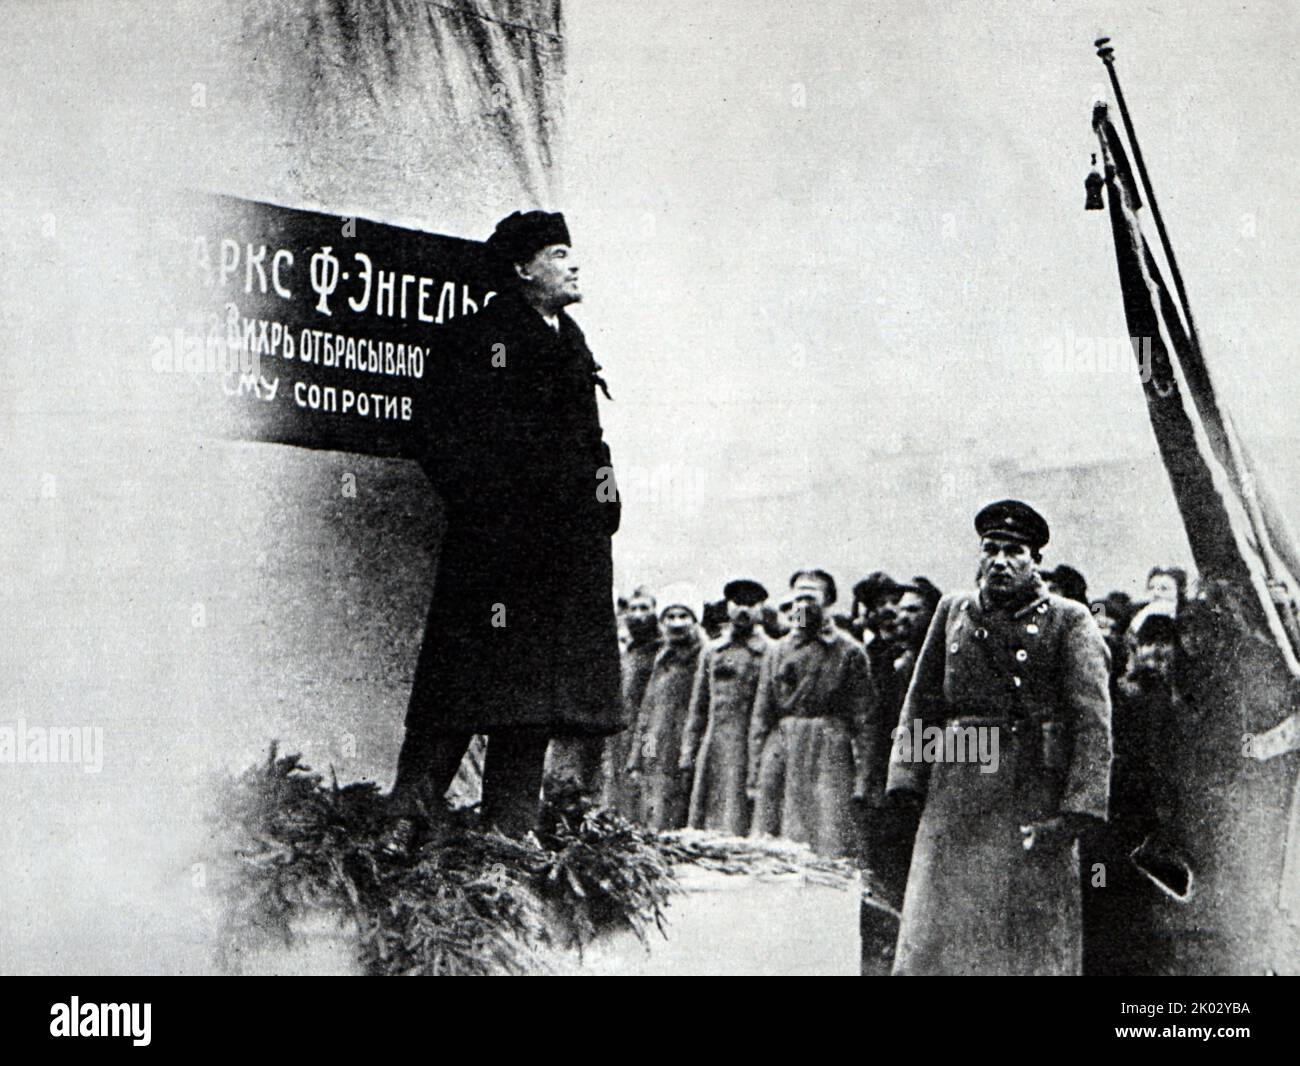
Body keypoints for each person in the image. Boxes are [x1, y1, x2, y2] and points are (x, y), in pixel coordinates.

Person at [385, 210, 623, 853]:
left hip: (563, 555)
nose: (574, 264)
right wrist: (490, 507)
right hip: (497, 552)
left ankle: (509, 833)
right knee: (460, 683)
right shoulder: (476, 336)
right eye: (557, 253)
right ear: (522, 268)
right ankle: (404, 823)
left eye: (572, 252)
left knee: (534, 697)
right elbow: (435, 432)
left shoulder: (570, 341)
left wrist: (606, 504)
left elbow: (592, 443)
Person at [885, 500, 1112, 975]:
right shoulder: (953, 610)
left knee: (1020, 942)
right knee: (940, 933)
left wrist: (1076, 814)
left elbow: (1093, 724)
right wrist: (906, 781)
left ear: (1036, 562)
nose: (1001, 561)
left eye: (1016, 551)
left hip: (1027, 797)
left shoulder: (1068, 619)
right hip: (954, 795)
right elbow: (922, 703)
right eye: (991, 549)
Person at [748, 569, 873, 858]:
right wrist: (755, 774)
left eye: (811, 597)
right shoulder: (777, 651)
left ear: (828, 602)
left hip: (828, 750)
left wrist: (864, 779)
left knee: (827, 835)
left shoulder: (849, 651)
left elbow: (865, 720)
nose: (802, 605)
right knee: (773, 839)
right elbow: (761, 716)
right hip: (782, 750)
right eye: (797, 597)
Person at [680, 578, 770, 836]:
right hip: (715, 744)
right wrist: (688, 753)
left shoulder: (770, 652)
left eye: (751, 604)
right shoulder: (713, 651)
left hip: (751, 744)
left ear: (761, 609)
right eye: (738, 603)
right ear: (728, 606)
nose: (744, 610)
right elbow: (698, 708)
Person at [626, 585, 703, 831]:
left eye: (683, 616)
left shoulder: (702, 656)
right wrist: (640, 757)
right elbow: (648, 711)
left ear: (694, 621)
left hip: (683, 748)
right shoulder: (662, 659)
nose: (677, 623)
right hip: (655, 745)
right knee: (650, 810)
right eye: (670, 617)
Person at [601, 585, 661, 819]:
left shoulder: (660, 651)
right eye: (633, 609)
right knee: (619, 776)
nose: (638, 615)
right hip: (624, 727)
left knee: (645, 769)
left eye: (644, 608)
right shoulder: (630, 652)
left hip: (648, 729)